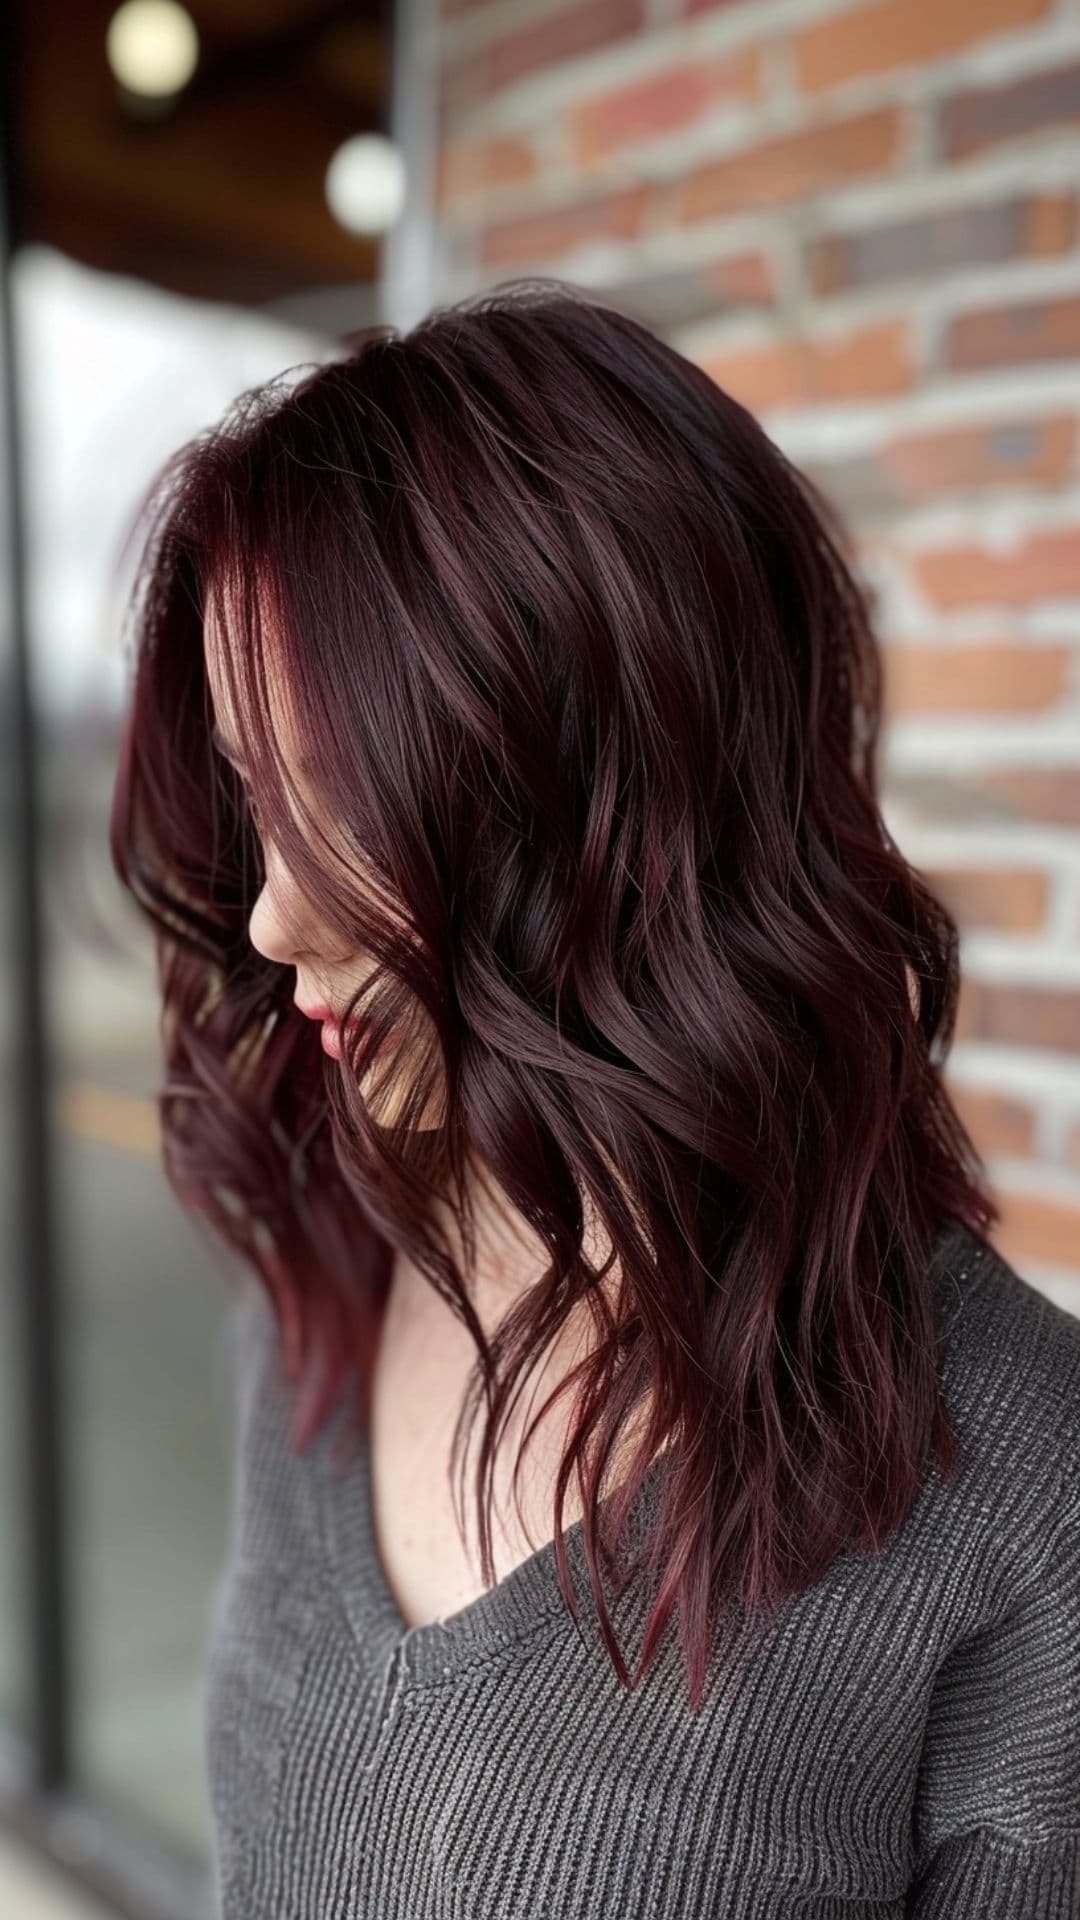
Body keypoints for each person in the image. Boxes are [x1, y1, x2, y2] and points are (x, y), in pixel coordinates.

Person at [109, 279, 1080, 1918]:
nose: (271, 920)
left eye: (333, 806)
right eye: (254, 806)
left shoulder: (1022, 1492)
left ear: (590, 802)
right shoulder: (321, 1294)